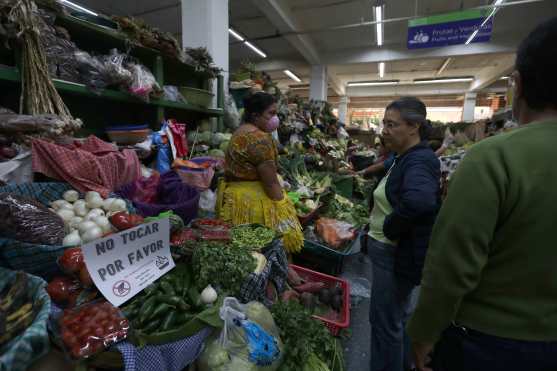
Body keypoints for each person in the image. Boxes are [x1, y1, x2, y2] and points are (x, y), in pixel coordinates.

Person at [408, 17, 557, 371]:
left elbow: (451, 266)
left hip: (486, 342)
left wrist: (423, 333)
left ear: (516, 85)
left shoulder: (493, 157)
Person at [368, 97, 441, 371]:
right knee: (393, 319)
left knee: (385, 324)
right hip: (389, 253)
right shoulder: (404, 157)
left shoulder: (419, 160)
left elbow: (420, 201)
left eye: (391, 124)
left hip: (393, 253)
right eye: (383, 123)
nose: (384, 130)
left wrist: (389, 227)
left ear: (414, 127)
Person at [217, 92, 304, 253]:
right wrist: (283, 208)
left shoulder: (239, 132)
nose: (275, 118)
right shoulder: (259, 138)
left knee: (243, 249)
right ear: (256, 115)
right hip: (253, 203)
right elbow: (271, 184)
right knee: (263, 251)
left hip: (235, 200)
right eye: (271, 113)